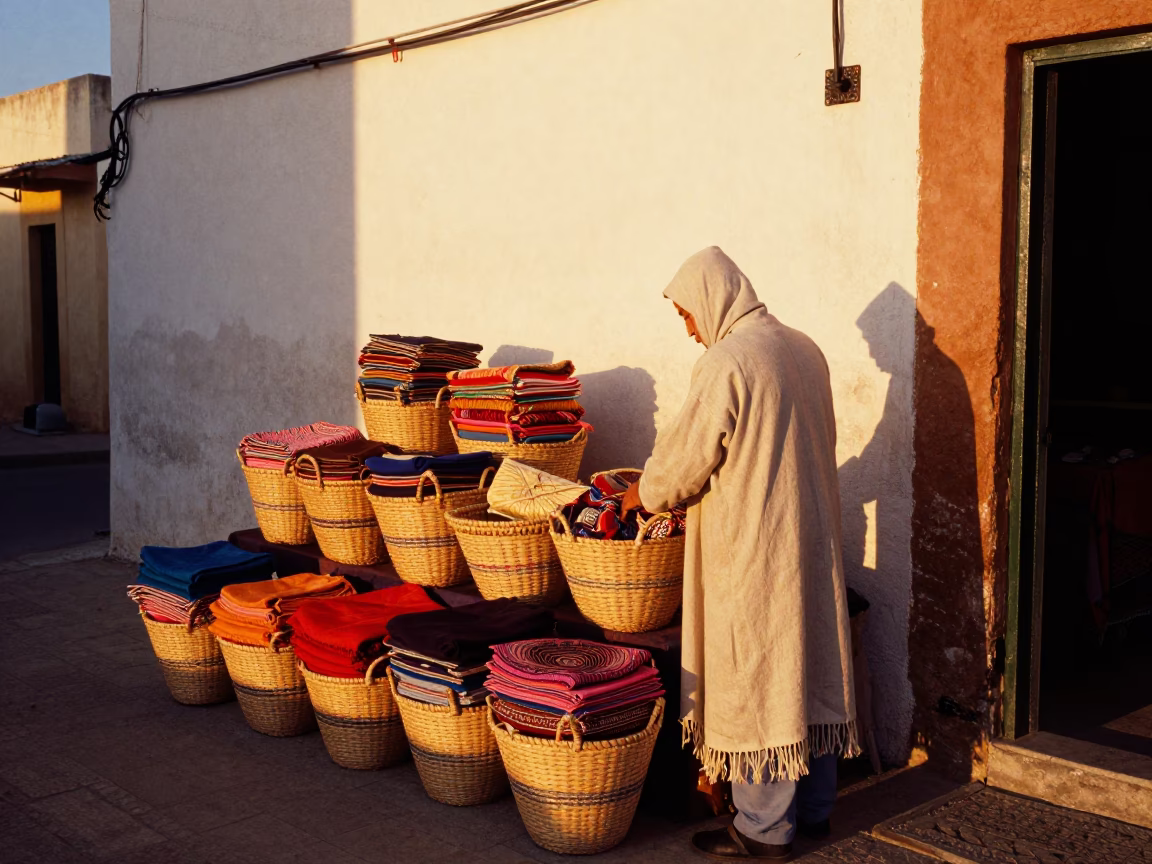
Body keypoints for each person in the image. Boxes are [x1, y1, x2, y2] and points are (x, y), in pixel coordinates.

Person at [621, 247, 857, 861]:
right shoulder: (805, 348)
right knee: (806, 673)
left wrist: (639, 496)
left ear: (712, 299)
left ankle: (762, 828)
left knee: (758, 677)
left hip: (754, 547)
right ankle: (815, 813)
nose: (691, 329)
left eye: (687, 315)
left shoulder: (729, 362)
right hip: (807, 539)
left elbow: (683, 464)